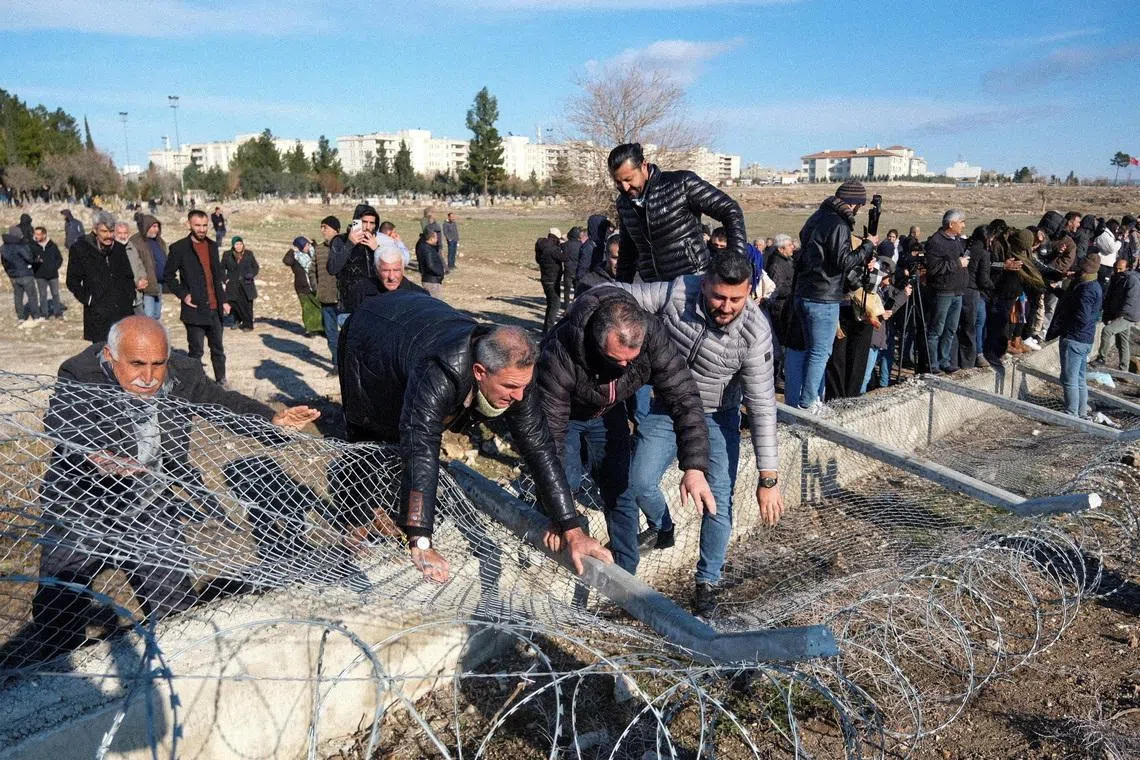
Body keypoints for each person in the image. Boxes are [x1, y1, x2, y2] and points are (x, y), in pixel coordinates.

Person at [26, 316, 317, 661]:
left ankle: (176, 669)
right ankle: (58, 675)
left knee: (175, 605)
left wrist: (271, 421)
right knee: (60, 605)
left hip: (147, 505)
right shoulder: (79, 374)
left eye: (157, 364)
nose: (148, 377)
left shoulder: (183, 372)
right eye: (136, 364)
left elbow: (219, 403)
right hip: (83, 505)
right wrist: (96, 455)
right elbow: (64, 422)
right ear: (110, 355)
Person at [339, 292, 611, 583]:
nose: (519, 397)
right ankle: (353, 522)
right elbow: (421, 445)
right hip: (370, 338)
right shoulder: (440, 370)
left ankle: (390, 508)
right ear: (480, 371)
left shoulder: (517, 374)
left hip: (417, 327)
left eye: (523, 387)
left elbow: (538, 446)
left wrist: (570, 526)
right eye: (509, 387)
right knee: (374, 437)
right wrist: (421, 540)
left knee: (405, 442)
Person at [609, 252, 784, 616]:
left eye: (736, 298)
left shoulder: (755, 331)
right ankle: (663, 526)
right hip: (668, 405)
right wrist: (589, 299)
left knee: (717, 499)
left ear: (750, 291)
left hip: (718, 416)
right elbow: (622, 294)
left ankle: (707, 582)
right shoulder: (678, 292)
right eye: (719, 296)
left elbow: (763, 404)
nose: (726, 306)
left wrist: (768, 478)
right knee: (639, 480)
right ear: (704, 283)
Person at [537, 286, 714, 575]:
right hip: (567, 414)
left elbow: (683, 395)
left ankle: (625, 574)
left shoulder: (652, 336)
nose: (623, 367)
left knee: (620, 490)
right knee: (566, 479)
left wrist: (694, 465)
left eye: (631, 361)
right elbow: (550, 438)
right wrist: (564, 517)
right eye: (615, 359)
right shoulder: (561, 353)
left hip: (609, 412)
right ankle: (554, 528)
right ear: (596, 340)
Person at [784, 180, 877, 413]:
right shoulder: (839, 224)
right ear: (853, 203)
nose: (859, 210)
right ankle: (809, 403)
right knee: (821, 351)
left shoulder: (816, 217)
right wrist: (866, 247)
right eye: (860, 205)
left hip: (805, 292)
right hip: (823, 296)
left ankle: (803, 400)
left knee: (808, 350)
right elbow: (843, 261)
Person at [610, 142, 746, 283]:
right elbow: (627, 253)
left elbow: (730, 209)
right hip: (654, 289)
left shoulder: (681, 184)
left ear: (644, 165)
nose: (625, 187)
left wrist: (737, 264)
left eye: (628, 179)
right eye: (618, 182)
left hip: (693, 281)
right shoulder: (623, 204)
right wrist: (621, 289)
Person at [164, 210, 230, 384]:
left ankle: (221, 382)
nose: (202, 230)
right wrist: (184, 295)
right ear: (189, 225)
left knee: (218, 349)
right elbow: (169, 276)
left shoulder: (212, 246)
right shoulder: (179, 248)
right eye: (197, 225)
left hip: (215, 308)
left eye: (204, 225)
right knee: (196, 352)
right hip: (194, 309)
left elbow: (217, 276)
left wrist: (223, 300)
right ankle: (197, 385)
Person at [1049, 255, 1103, 417]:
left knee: (1069, 378)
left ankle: (1071, 413)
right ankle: (1081, 412)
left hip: (1074, 338)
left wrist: (1066, 322)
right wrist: (1057, 289)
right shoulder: (1094, 285)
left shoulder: (1085, 290)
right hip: (1085, 339)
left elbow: (1082, 317)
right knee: (1079, 378)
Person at [66, 218, 136, 342]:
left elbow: (128, 276)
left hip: (122, 309)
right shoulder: (81, 249)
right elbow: (72, 280)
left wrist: (130, 296)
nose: (109, 236)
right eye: (104, 231)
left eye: (111, 231)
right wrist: (88, 299)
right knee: (101, 352)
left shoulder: (119, 248)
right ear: (95, 230)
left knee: (123, 350)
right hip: (98, 311)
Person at [923, 210, 970, 374]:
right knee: (936, 329)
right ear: (951, 224)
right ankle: (933, 364)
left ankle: (945, 361)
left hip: (957, 292)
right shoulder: (936, 242)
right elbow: (934, 268)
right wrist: (958, 263)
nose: (964, 225)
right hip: (943, 292)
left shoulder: (956, 240)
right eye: (961, 222)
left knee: (951, 329)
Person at [328, 204, 382, 326]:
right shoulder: (340, 241)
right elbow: (332, 268)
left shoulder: (376, 242)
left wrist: (377, 250)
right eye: (364, 222)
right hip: (349, 309)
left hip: (375, 307)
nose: (368, 227)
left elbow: (387, 270)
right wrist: (349, 244)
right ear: (356, 221)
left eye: (372, 223)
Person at [956, 224, 993, 371]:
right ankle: (972, 358)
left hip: (961, 288)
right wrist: (993, 287)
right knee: (974, 324)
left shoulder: (967, 248)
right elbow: (983, 279)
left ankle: (964, 358)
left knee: (963, 325)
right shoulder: (983, 253)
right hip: (973, 292)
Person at [348, 236, 427, 305]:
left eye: (396, 270)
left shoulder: (419, 295)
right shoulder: (361, 291)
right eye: (386, 271)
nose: (391, 277)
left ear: (403, 270)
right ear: (376, 270)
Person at [1093, 258, 1140, 370]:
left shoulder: (1131, 279)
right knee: (1122, 341)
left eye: (1121, 269)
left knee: (1107, 331)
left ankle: (1102, 358)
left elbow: (1131, 300)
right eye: (1116, 268)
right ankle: (1124, 368)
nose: (1118, 270)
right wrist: (1107, 313)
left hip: (1127, 315)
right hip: (1120, 313)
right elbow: (1111, 297)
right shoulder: (1116, 278)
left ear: (1127, 268)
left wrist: (1121, 315)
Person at [125, 214, 168, 321]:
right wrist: (138, 281)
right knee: (148, 316)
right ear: (146, 226)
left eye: (157, 227)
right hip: (145, 286)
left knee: (157, 315)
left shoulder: (159, 241)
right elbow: (133, 264)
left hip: (158, 284)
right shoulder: (136, 242)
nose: (156, 230)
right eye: (153, 226)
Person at [315, 216, 342, 372]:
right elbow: (312, 271)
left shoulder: (345, 247)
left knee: (348, 335)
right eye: (321, 227)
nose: (322, 230)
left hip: (342, 300)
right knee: (332, 336)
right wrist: (317, 287)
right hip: (325, 298)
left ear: (335, 229)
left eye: (325, 227)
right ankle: (337, 365)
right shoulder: (318, 249)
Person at [283, 236, 323, 335]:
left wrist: (313, 243)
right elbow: (286, 261)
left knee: (319, 307)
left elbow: (319, 250)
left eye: (308, 245)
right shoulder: (295, 257)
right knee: (307, 308)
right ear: (300, 247)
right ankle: (311, 329)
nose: (307, 247)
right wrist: (291, 251)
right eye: (305, 245)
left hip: (316, 285)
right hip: (302, 287)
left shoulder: (314, 252)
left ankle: (322, 328)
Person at [2, 225, 41, 323]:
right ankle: (36, 316)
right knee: (32, 295)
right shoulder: (20, 245)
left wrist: (9, 273)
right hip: (25, 274)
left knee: (18, 296)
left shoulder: (3, 247)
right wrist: (36, 260)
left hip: (13, 275)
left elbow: (4, 262)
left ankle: (20, 317)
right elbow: (29, 258)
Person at [222, 236, 260, 332]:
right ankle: (237, 320)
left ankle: (248, 324)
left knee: (247, 305)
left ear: (243, 244)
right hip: (233, 284)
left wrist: (250, 275)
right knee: (234, 303)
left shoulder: (248, 254)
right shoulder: (227, 255)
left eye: (240, 244)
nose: (239, 246)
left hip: (247, 283)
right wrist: (225, 279)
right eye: (236, 244)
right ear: (233, 245)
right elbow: (221, 268)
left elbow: (255, 267)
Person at [535, 227, 568, 333]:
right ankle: (548, 329)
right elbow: (565, 257)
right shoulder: (553, 249)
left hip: (545, 278)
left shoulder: (541, 245)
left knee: (550, 304)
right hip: (553, 279)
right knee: (555, 304)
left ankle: (546, 328)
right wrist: (565, 244)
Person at [31, 226, 65, 320]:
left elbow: (59, 259)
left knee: (55, 294)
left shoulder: (52, 246)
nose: (36, 236)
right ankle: (44, 314)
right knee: (42, 295)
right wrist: (35, 262)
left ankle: (57, 313)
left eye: (38, 234)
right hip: (40, 275)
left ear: (44, 235)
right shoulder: (33, 246)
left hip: (53, 275)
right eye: (35, 234)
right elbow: (30, 259)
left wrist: (54, 267)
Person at [415, 229, 446, 297]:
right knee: (435, 303)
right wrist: (440, 273)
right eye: (436, 238)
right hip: (432, 282)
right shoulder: (427, 250)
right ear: (431, 239)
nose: (437, 240)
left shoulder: (424, 246)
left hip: (430, 279)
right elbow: (430, 265)